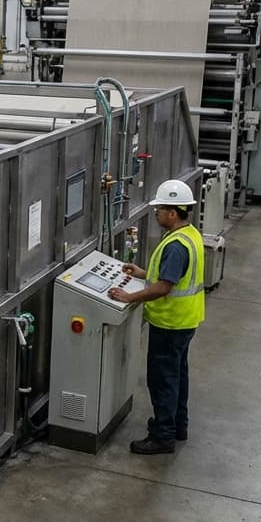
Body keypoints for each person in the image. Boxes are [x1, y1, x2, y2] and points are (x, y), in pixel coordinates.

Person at [107, 178, 205, 455]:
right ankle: (178, 426)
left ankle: (162, 436)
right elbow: (170, 276)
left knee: (163, 380)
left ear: (172, 213)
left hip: (170, 323)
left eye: (159, 209)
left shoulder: (175, 246)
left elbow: (164, 287)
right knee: (178, 376)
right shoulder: (190, 234)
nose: (156, 214)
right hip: (185, 321)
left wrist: (129, 297)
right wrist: (142, 273)